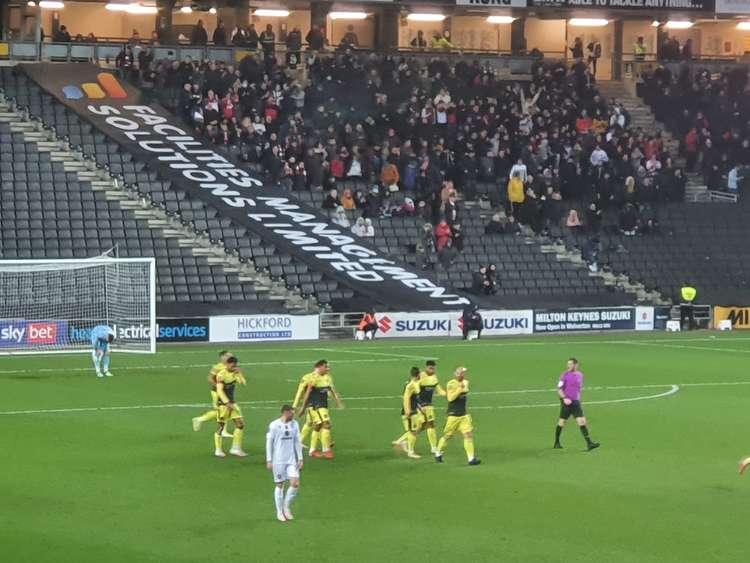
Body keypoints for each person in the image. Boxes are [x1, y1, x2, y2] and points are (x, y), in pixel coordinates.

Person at [298, 360, 345, 459]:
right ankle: (326, 449)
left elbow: (331, 391)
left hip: (323, 405)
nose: (328, 369)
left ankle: (312, 450)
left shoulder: (327, 378)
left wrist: (338, 402)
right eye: (326, 367)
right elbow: (307, 394)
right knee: (326, 424)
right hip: (316, 406)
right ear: (320, 367)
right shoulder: (313, 379)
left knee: (318, 425)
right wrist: (303, 407)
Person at [435, 367, 480, 465]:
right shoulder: (451, 383)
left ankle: (471, 459)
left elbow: (465, 389)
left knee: (468, 435)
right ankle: (438, 452)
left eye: (463, 373)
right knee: (448, 436)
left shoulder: (466, 382)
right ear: (455, 374)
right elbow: (450, 398)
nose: (462, 375)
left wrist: (462, 387)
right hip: (453, 415)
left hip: (463, 415)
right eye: (460, 373)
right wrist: (460, 388)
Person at [266, 405, 303, 522]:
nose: (294, 415)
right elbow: (269, 443)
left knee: (295, 483)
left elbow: (297, 441)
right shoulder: (274, 425)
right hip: (279, 460)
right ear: (285, 413)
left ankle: (286, 507)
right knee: (280, 485)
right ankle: (279, 512)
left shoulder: (295, 424)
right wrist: (269, 459)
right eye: (292, 413)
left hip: (291, 459)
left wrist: (300, 458)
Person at [554, 358, 600, 451]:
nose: (568, 366)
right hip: (566, 402)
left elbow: (577, 388)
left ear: (576, 365)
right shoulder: (564, 375)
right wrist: (564, 398)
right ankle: (556, 442)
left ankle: (589, 443)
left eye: (570, 364)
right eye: (568, 364)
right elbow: (559, 389)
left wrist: (577, 398)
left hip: (575, 402)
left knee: (582, 421)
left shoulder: (580, 375)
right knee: (562, 422)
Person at [192, 350, 234, 433]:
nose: (231, 357)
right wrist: (218, 387)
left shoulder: (230, 366)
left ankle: (222, 430)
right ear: (223, 357)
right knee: (220, 410)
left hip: (226, 392)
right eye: (229, 356)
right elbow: (210, 378)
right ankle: (200, 419)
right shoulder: (218, 367)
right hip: (217, 392)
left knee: (226, 410)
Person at [214, 356, 248, 458]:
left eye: (235, 365)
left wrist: (239, 373)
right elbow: (219, 390)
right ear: (227, 364)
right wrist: (226, 402)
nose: (234, 367)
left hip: (232, 403)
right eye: (232, 365)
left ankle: (235, 448)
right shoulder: (221, 375)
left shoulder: (235, 373)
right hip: (223, 404)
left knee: (240, 424)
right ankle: (218, 450)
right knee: (221, 426)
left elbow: (243, 383)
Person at [391, 367, 423, 459]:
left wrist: (420, 407)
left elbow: (414, 398)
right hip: (409, 412)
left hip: (413, 410)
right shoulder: (411, 385)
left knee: (417, 428)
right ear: (417, 375)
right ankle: (410, 452)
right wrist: (408, 411)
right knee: (413, 432)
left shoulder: (413, 383)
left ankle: (401, 441)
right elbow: (406, 398)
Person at [418, 360, 446, 454]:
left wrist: (447, 394)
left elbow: (439, 390)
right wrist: (418, 405)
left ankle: (403, 441)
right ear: (426, 367)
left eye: (433, 368)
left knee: (425, 425)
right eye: (430, 368)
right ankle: (433, 447)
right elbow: (414, 391)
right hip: (421, 404)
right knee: (428, 424)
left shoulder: (434, 377)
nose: (432, 370)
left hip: (428, 404)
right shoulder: (420, 376)